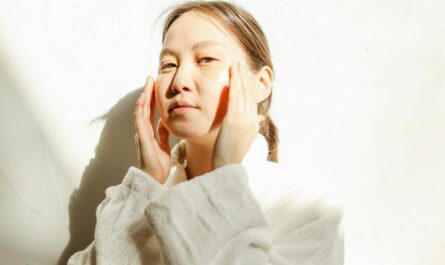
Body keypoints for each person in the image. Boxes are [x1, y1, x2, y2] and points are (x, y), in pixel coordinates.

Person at [67, 1, 343, 264]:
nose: (179, 81)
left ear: (261, 83)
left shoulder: (308, 204)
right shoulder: (144, 201)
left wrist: (226, 176)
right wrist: (145, 185)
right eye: (168, 65)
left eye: (206, 59)